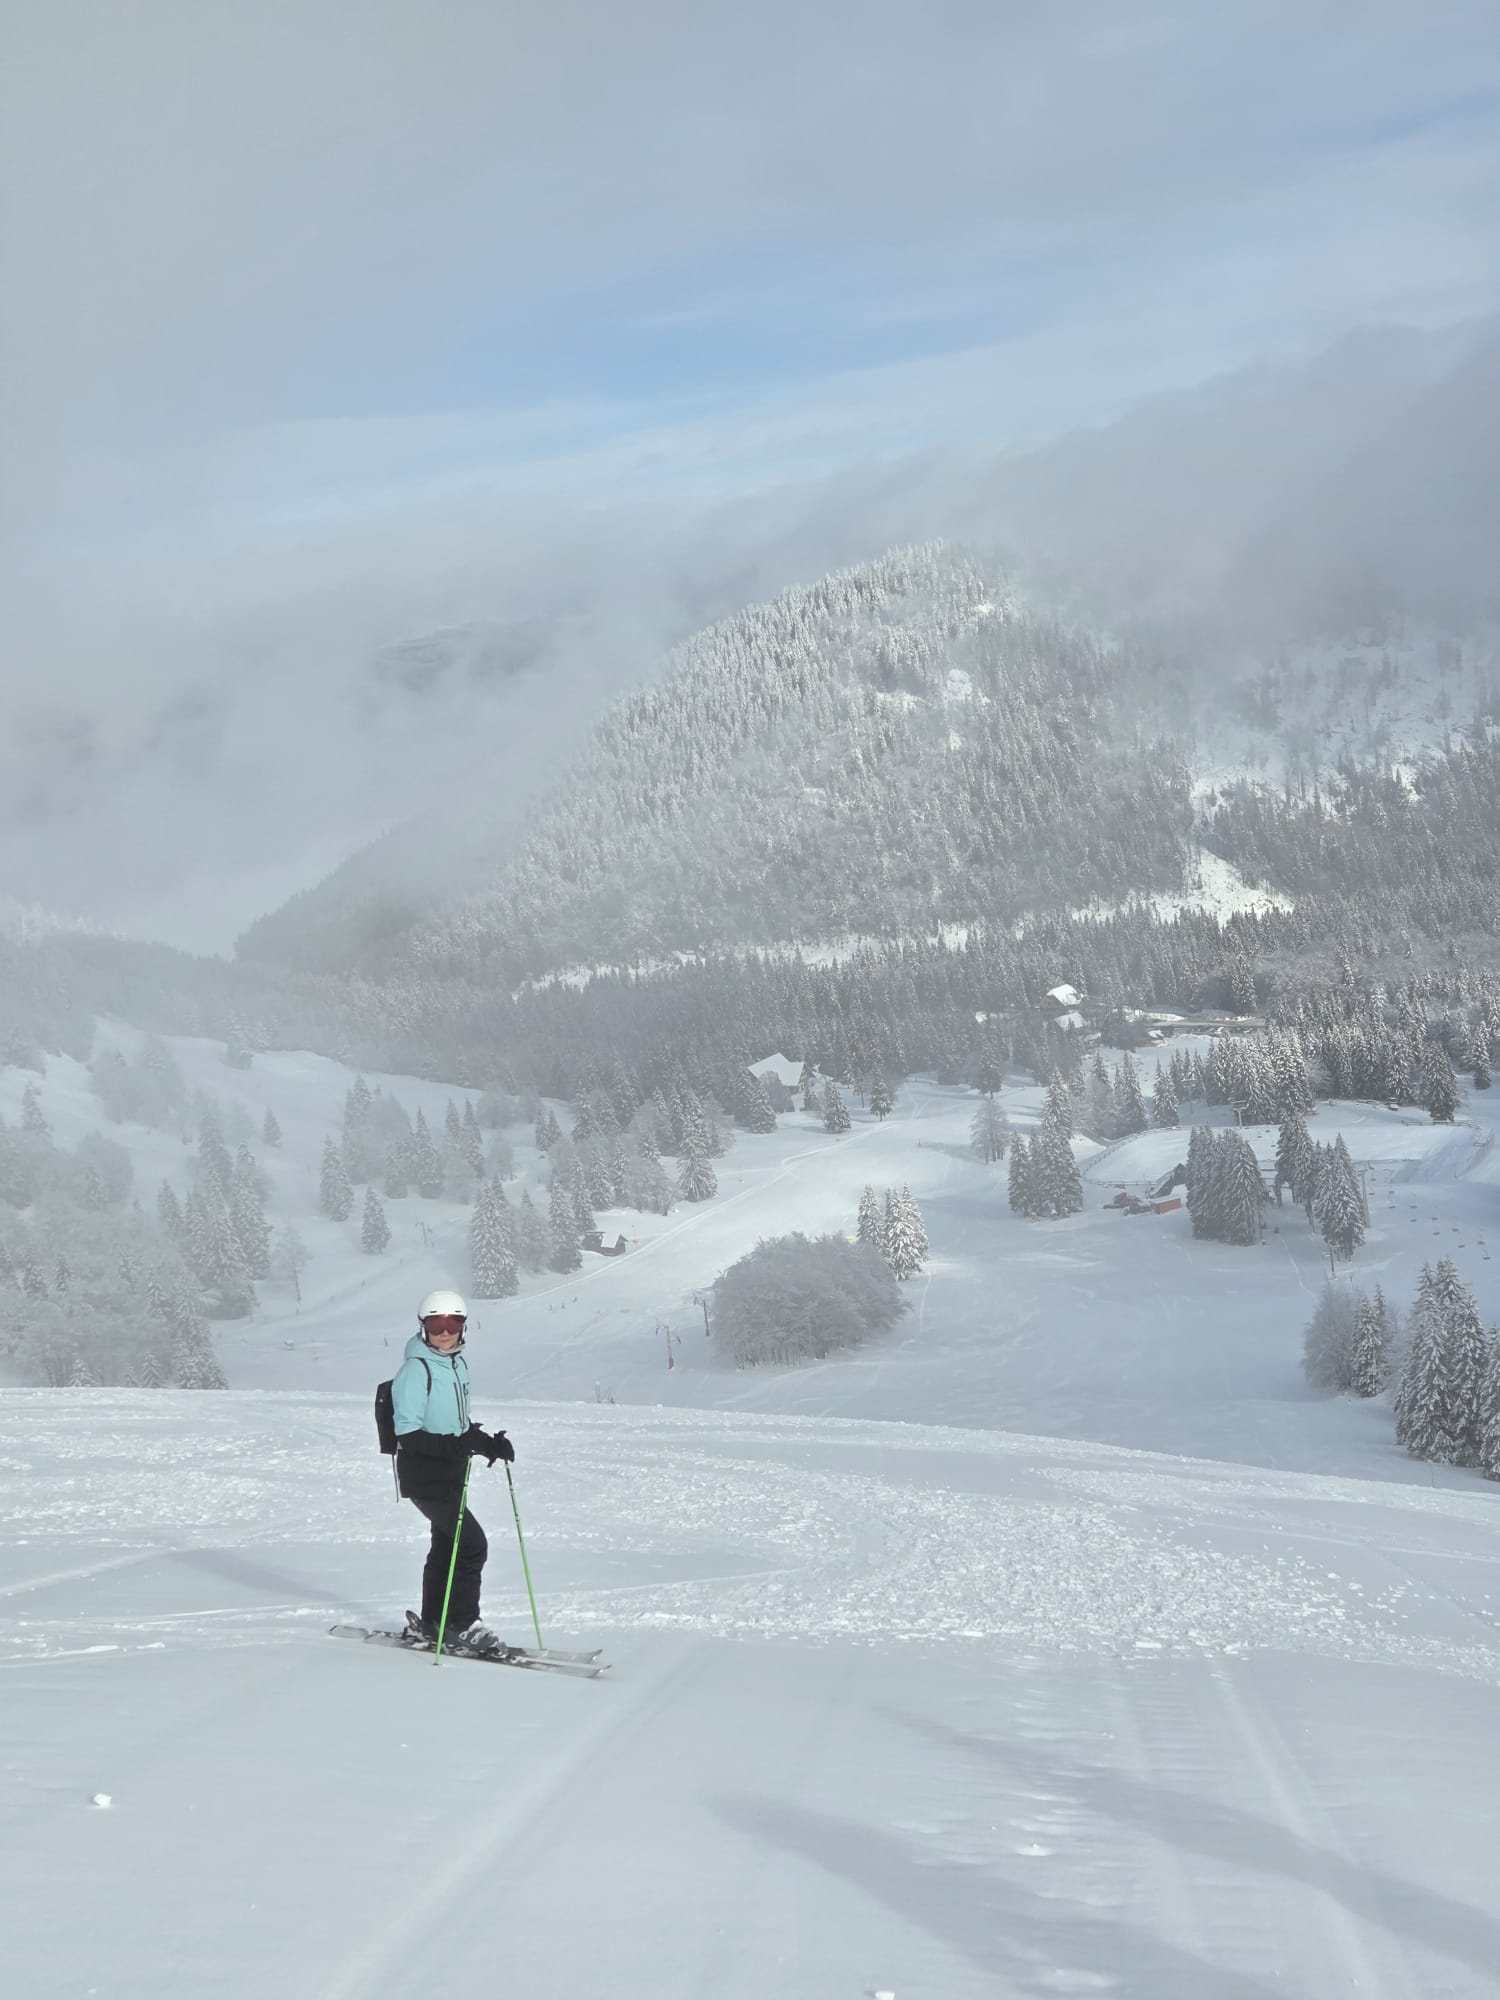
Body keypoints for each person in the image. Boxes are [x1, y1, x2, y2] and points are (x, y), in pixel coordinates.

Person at [391, 1288, 514, 1653]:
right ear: (423, 1326)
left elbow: (457, 1425)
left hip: (451, 1472)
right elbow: (409, 1434)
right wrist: (459, 1445)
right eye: (436, 1323)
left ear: (463, 1327)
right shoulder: (416, 1370)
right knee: (473, 1545)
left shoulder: (458, 1364)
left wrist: (487, 1443)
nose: (444, 1332)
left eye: (452, 1323)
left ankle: (433, 1623)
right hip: (425, 1475)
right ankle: (462, 1624)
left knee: (447, 1546)